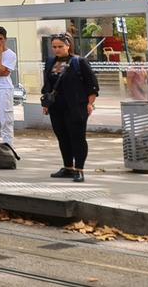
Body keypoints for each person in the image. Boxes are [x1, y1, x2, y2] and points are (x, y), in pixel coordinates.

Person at [42, 33, 99, 182]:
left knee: (77, 138)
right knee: (62, 137)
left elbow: (92, 86)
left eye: (60, 46)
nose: (57, 49)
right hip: (56, 107)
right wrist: (46, 104)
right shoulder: (50, 62)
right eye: (54, 47)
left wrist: (90, 103)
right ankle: (68, 167)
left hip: (76, 106)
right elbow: (47, 84)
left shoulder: (79, 62)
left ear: (68, 46)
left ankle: (79, 169)